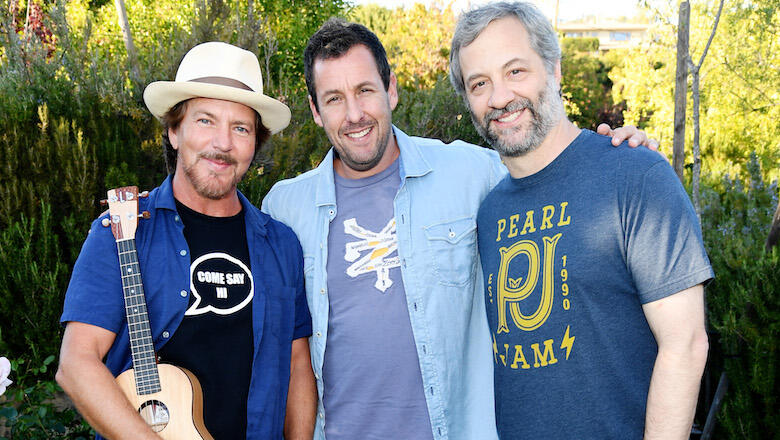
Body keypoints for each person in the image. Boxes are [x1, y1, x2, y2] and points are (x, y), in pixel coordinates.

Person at [262, 18, 654, 440]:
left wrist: (614, 154)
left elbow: (549, 168)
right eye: (334, 99)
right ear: (316, 111)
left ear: (391, 89)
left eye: (365, 91)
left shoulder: (471, 173)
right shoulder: (284, 209)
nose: (354, 114)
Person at [448, 2, 714, 439]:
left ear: (554, 70)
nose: (499, 97)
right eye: (480, 83)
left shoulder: (635, 175)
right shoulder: (489, 211)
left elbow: (685, 345)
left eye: (516, 71)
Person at [56, 42, 315, 440]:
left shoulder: (281, 245)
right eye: (205, 120)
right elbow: (76, 364)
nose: (223, 143)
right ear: (174, 131)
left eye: (241, 128)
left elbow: (297, 365)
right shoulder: (123, 232)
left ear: (255, 144)